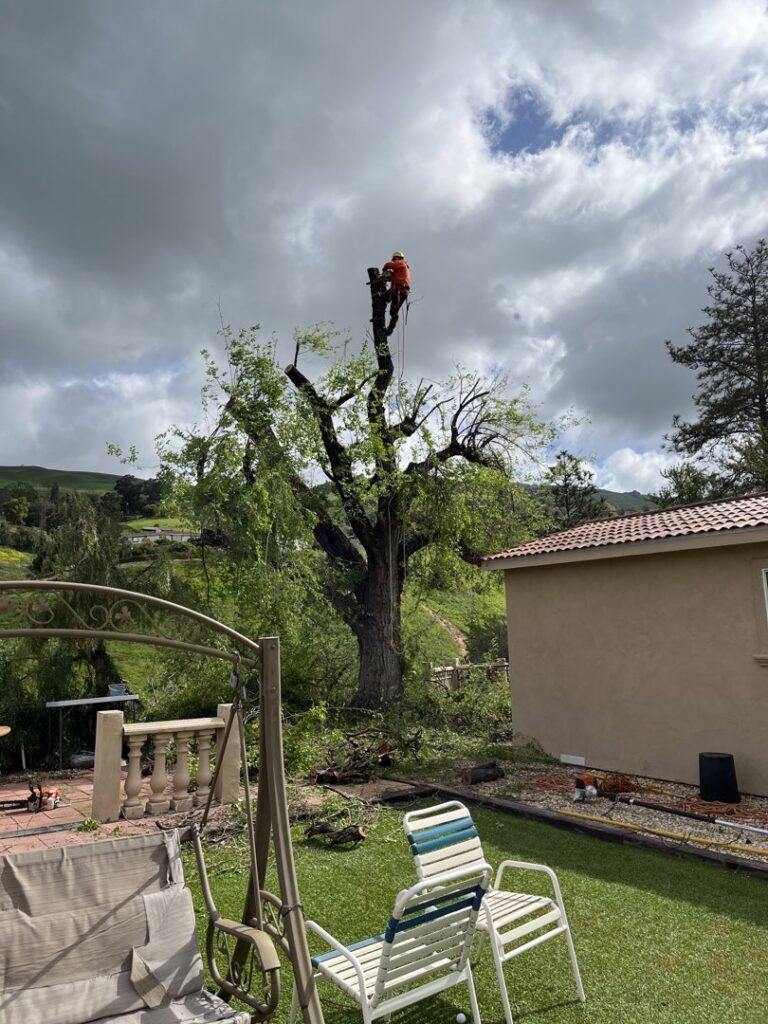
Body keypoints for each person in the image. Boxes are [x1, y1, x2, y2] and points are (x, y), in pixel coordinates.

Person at [381, 251, 410, 335]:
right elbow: (394, 275)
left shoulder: (400, 263)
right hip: (404, 291)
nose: (394, 260)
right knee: (393, 312)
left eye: (395, 259)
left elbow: (388, 264)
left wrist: (384, 270)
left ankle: (379, 316)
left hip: (398, 288)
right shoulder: (404, 268)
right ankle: (390, 329)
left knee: (382, 299)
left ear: (398, 258)